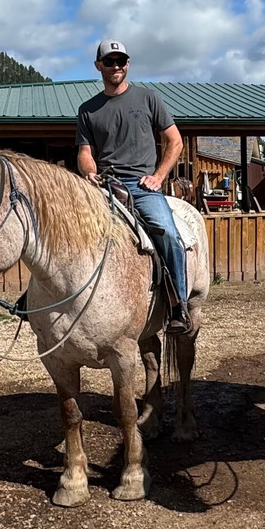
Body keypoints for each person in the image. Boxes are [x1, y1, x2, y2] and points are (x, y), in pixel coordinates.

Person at [77, 40, 191, 334]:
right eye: (109, 61)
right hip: (105, 185)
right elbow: (85, 153)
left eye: (121, 61)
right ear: (98, 66)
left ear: (127, 64)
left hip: (142, 187)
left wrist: (159, 176)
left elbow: (175, 141)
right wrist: (89, 173)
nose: (116, 66)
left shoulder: (147, 98)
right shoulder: (88, 110)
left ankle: (178, 305)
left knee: (168, 233)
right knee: (68, 229)